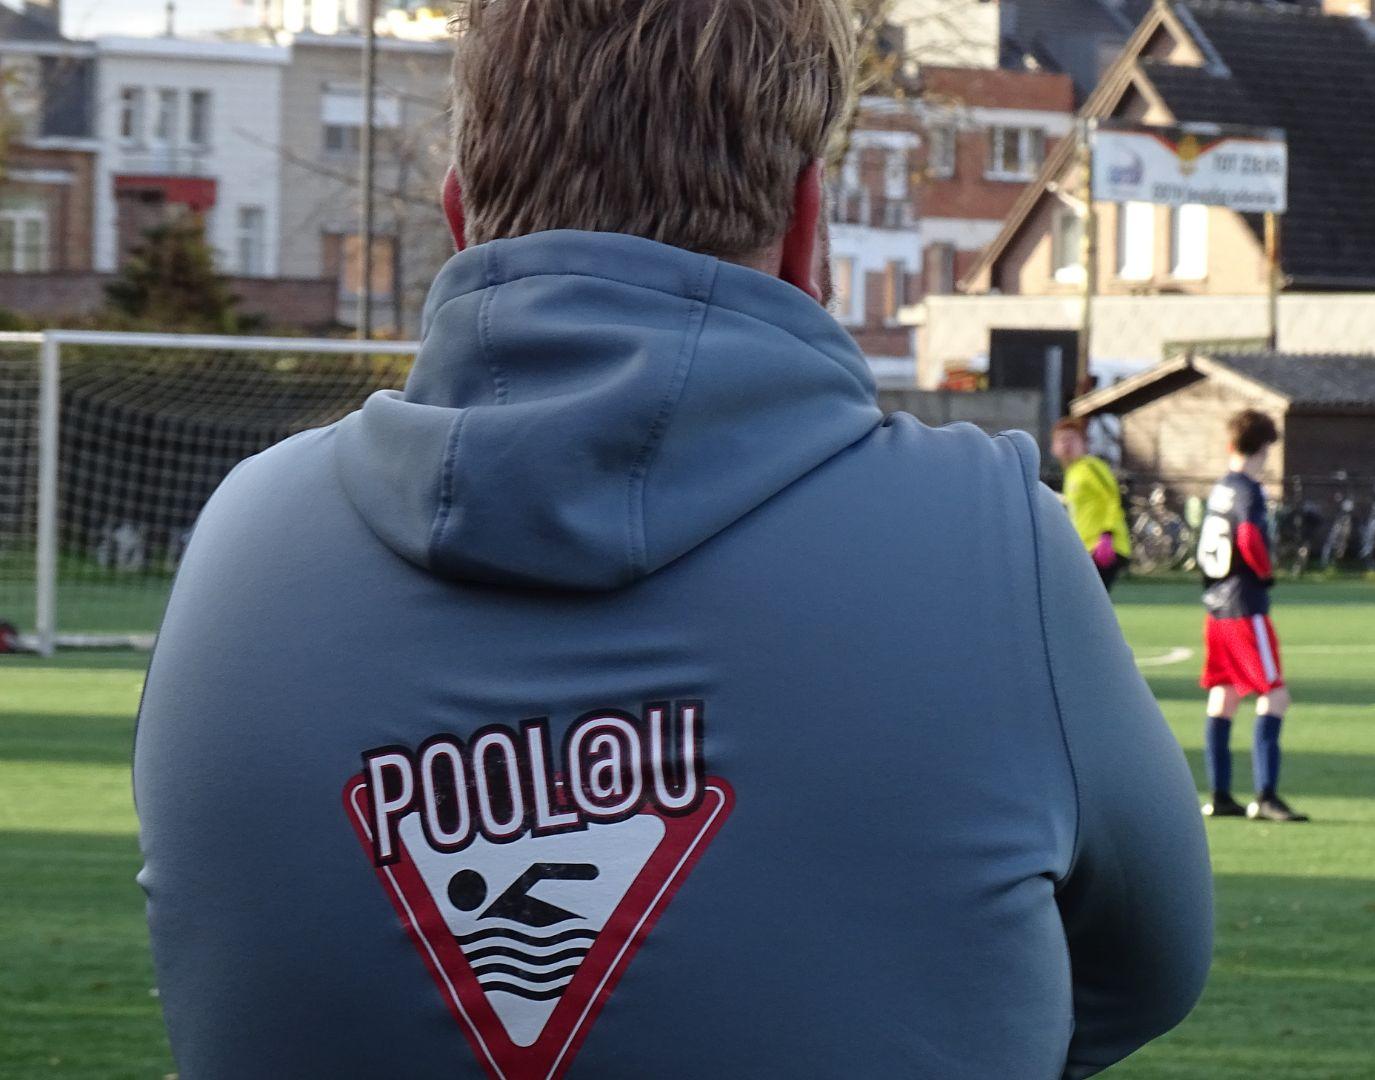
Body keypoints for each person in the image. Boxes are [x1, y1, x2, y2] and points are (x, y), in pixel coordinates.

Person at [132, 2, 1212, 1077]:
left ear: (460, 216)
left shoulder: (242, 539)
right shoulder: (990, 537)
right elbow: (1144, 973)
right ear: (809, 227)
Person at [1196, 409, 1308, 823]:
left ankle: (1220, 794)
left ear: (1231, 444)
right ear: (1263, 448)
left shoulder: (1221, 488)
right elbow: (1248, 537)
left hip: (1216, 605)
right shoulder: (1248, 490)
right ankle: (1266, 796)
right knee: (1275, 694)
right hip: (1245, 603)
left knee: (1224, 694)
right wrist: (1265, 572)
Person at [1053, 416, 1131, 591]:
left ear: (1084, 444)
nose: (1066, 445)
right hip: (1086, 548)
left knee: (1083, 598)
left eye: (1072, 439)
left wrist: (1107, 535)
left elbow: (1112, 499)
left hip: (1104, 547)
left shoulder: (1090, 467)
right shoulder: (1072, 472)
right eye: (1062, 439)